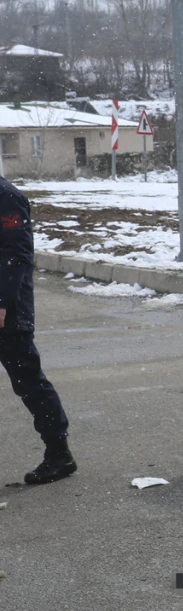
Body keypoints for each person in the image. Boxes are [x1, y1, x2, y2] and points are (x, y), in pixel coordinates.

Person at [0, 177, 75, 484]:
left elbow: (16, 254)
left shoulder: (7, 197)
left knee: (29, 382)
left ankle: (59, 455)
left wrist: (2, 301)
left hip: (9, 311)